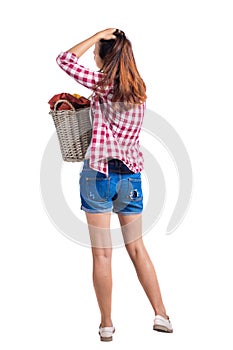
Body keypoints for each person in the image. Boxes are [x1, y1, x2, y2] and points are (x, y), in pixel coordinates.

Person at [56, 28, 173, 341]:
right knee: (137, 248)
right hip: (131, 178)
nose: (93, 56)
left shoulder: (103, 85)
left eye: (96, 51)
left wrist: (97, 34)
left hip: (99, 177)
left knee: (102, 255)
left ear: (105, 57)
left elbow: (64, 59)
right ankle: (161, 314)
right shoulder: (138, 89)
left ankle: (106, 324)